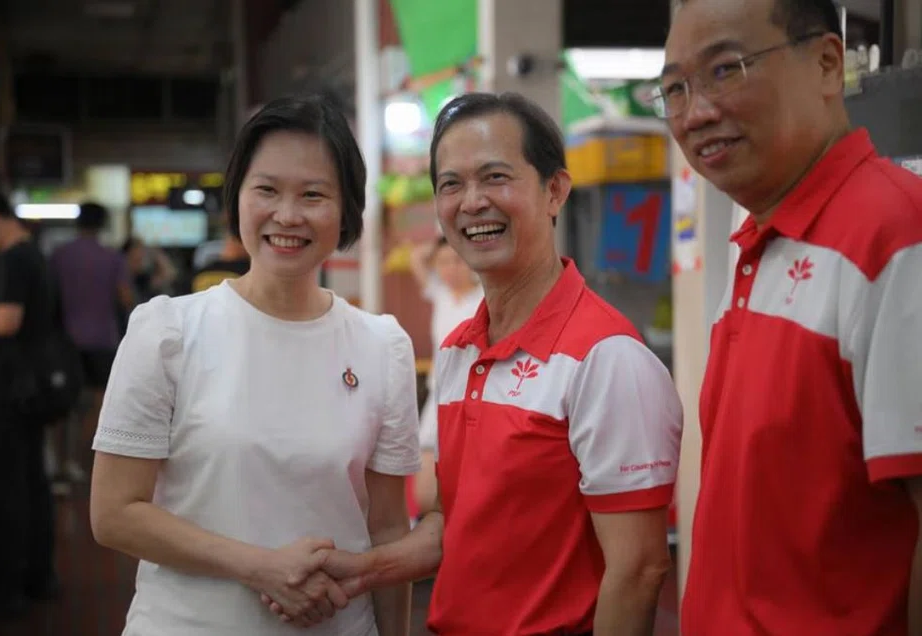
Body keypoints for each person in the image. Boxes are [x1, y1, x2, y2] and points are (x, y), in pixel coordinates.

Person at [268, 92, 684, 635]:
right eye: (451, 184)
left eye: (495, 177)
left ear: (555, 190)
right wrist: (359, 570)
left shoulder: (608, 358)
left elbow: (638, 571)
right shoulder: (460, 351)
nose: (472, 202)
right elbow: (453, 523)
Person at [89, 93, 421, 636]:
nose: (287, 215)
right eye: (267, 189)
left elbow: (386, 530)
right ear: (238, 196)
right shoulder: (168, 331)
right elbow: (114, 513)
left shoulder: (383, 346)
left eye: (313, 194)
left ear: (346, 210)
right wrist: (261, 567)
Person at [657, 0, 922, 633]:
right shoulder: (758, 241)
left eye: (726, 69)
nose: (695, 113)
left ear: (827, 64)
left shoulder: (896, 237)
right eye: (675, 90)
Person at [0, 183, 59, 620]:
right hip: (27, 391)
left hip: (8, 393)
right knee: (31, 484)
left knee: (6, 490)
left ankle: (6, 589)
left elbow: (5, 322)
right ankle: (37, 577)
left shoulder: (15, 259)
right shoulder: (33, 254)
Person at [51, 201, 134, 480]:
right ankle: (85, 462)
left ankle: (61, 463)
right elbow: (125, 297)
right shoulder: (111, 257)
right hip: (102, 339)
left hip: (64, 342)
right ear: (102, 225)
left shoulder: (59, 255)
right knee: (99, 405)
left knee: (63, 406)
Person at [407, 236, 482, 514]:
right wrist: (446, 241)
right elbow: (416, 257)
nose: (451, 268)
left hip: (475, 397)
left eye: (458, 260)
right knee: (425, 486)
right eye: (443, 262)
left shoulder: (485, 298)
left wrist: (463, 244)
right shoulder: (440, 294)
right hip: (439, 395)